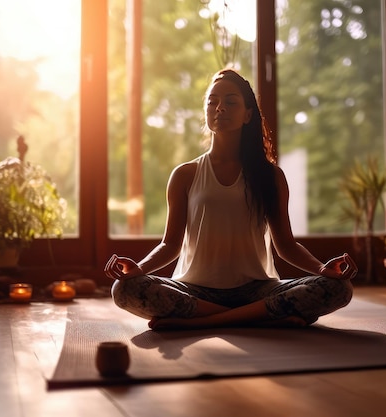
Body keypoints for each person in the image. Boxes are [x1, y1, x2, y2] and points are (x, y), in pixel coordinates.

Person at [105, 69, 357, 330]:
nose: (219, 108)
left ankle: (204, 322)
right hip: (194, 290)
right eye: (212, 101)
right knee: (124, 289)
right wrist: (140, 268)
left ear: (248, 114)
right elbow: (170, 244)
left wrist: (322, 269)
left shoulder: (270, 176)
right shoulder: (184, 175)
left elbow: (286, 245)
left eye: (230, 101)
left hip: (258, 290)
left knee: (338, 288)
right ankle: (262, 318)